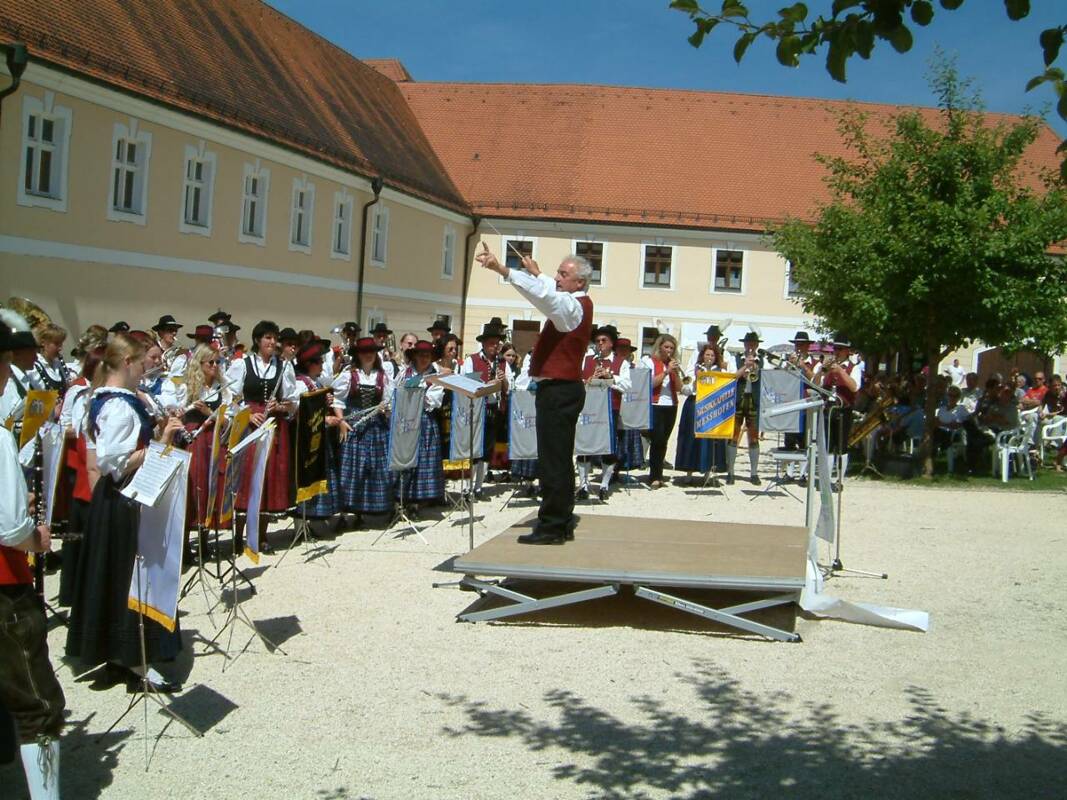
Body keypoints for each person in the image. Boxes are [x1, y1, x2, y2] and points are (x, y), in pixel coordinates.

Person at [65, 332, 185, 694]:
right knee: (132, 574)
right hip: (124, 499)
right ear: (129, 363)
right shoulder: (117, 404)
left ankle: (118, 654)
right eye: (143, 363)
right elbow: (114, 463)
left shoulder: (111, 399)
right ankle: (135, 659)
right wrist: (161, 443)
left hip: (117, 499)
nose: (146, 370)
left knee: (118, 575)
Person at [476, 244, 593, 545]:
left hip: (559, 390)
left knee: (554, 460)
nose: (557, 277)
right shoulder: (574, 301)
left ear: (579, 282)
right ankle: (560, 520)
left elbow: (548, 298)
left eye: (563, 274)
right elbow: (550, 291)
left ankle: (553, 525)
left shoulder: (573, 306)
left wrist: (502, 269)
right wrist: (538, 273)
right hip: (561, 389)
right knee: (558, 458)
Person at [0, 309, 66, 800]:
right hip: (4, 587)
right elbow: (11, 527)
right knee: (38, 704)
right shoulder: (1, 437)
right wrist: (36, 537)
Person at [224, 320, 299, 553]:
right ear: (257, 340)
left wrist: (281, 405)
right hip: (249, 428)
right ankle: (238, 536)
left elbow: (292, 402)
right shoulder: (242, 365)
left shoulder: (284, 367)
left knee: (268, 478)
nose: (272, 342)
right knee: (244, 479)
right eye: (267, 337)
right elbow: (229, 399)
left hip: (273, 427)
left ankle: (262, 535)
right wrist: (246, 415)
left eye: (274, 338)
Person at [160, 344, 232, 545]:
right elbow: (172, 412)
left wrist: (211, 413)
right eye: (211, 362)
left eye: (218, 362)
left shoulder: (221, 388)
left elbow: (228, 420)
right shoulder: (186, 387)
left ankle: (205, 539)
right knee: (192, 486)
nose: (215, 366)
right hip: (194, 440)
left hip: (214, 440)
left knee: (211, 486)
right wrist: (181, 412)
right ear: (199, 364)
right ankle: (183, 544)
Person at [333, 337, 394, 524]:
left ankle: (365, 511)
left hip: (375, 426)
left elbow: (388, 402)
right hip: (354, 425)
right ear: (357, 355)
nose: (368, 355)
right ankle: (345, 514)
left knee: (374, 469)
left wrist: (386, 410)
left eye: (371, 351)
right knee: (351, 469)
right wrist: (342, 422)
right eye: (364, 351)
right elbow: (338, 401)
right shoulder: (348, 374)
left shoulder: (382, 376)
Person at [292, 341, 347, 534]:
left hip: (318, 439)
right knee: (308, 476)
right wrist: (326, 418)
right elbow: (303, 414)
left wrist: (326, 402)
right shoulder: (300, 383)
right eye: (318, 361)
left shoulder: (314, 382)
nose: (322, 365)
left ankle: (316, 517)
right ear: (309, 364)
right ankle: (303, 521)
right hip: (307, 441)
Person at [577, 325, 631, 500]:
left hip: (610, 409)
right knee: (583, 446)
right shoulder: (586, 359)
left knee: (608, 447)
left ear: (611, 343)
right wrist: (589, 380)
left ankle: (604, 485)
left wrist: (609, 378)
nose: (600, 344)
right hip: (587, 407)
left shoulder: (621, 362)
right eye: (597, 341)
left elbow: (628, 386)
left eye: (604, 341)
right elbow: (577, 380)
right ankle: (583, 485)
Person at [396, 340, 445, 517]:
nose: (424, 358)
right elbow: (395, 392)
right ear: (415, 356)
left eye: (428, 355)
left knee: (422, 462)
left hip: (425, 420)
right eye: (421, 355)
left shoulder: (435, 376)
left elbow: (434, 401)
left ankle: (416, 503)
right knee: (404, 459)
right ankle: (401, 500)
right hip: (406, 420)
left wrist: (418, 394)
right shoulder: (404, 373)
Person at [461, 318, 510, 494]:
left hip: (494, 409)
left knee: (487, 449)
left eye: (497, 343)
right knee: (473, 448)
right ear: (483, 344)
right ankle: (467, 487)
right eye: (491, 343)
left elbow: (508, 388)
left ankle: (479, 486)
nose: (495, 347)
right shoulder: (471, 360)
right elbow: (466, 385)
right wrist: (488, 383)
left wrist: (503, 380)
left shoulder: (502, 362)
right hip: (476, 409)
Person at [675, 341, 727, 486]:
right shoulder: (694, 368)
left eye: (712, 355)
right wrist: (697, 379)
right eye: (707, 355)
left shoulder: (720, 371)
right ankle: (689, 472)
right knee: (691, 438)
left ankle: (707, 472)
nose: (709, 357)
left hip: (711, 406)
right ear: (702, 356)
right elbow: (685, 390)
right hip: (694, 403)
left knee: (709, 440)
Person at [641, 333, 682, 489]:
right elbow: (650, 384)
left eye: (672, 348)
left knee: (664, 441)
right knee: (657, 440)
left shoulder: (673, 364)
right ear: (659, 347)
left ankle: (658, 474)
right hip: (655, 404)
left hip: (671, 405)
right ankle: (654, 476)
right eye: (666, 347)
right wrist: (665, 372)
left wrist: (676, 373)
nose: (669, 351)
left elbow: (679, 388)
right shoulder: (650, 362)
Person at [821, 334, 859, 484]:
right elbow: (821, 385)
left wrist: (841, 371)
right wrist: (824, 370)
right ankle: (828, 479)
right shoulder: (829, 367)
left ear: (847, 351)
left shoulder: (853, 368)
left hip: (844, 410)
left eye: (840, 349)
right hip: (830, 408)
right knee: (829, 446)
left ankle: (840, 480)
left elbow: (854, 387)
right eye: (835, 348)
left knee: (842, 446)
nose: (836, 352)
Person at [727, 332, 763, 485]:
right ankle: (730, 472)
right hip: (738, 400)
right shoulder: (735, 359)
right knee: (733, 436)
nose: (750, 346)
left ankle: (754, 473)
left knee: (753, 438)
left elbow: (763, 378)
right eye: (748, 343)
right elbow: (733, 377)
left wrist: (755, 367)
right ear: (744, 344)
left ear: (756, 345)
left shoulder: (762, 360)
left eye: (753, 343)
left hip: (753, 400)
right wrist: (745, 367)